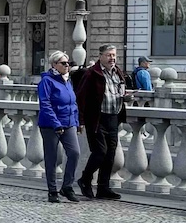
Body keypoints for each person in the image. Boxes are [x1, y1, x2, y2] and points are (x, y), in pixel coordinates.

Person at [74, 44, 126, 200]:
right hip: (97, 119)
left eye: (114, 55)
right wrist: (80, 120)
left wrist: (126, 97)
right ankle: (85, 179)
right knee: (100, 152)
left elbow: (119, 91)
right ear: (101, 56)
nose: (112, 58)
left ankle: (103, 188)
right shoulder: (92, 73)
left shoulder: (117, 72)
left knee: (110, 155)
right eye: (109, 55)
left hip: (113, 117)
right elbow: (81, 97)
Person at [36, 50, 81, 203]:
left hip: (69, 123)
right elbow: (45, 104)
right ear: (54, 64)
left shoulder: (67, 80)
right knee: (52, 158)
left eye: (68, 63)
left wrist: (76, 121)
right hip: (50, 125)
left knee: (74, 153)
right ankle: (52, 190)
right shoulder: (47, 81)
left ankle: (67, 186)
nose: (67, 66)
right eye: (63, 63)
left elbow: (73, 103)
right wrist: (55, 124)